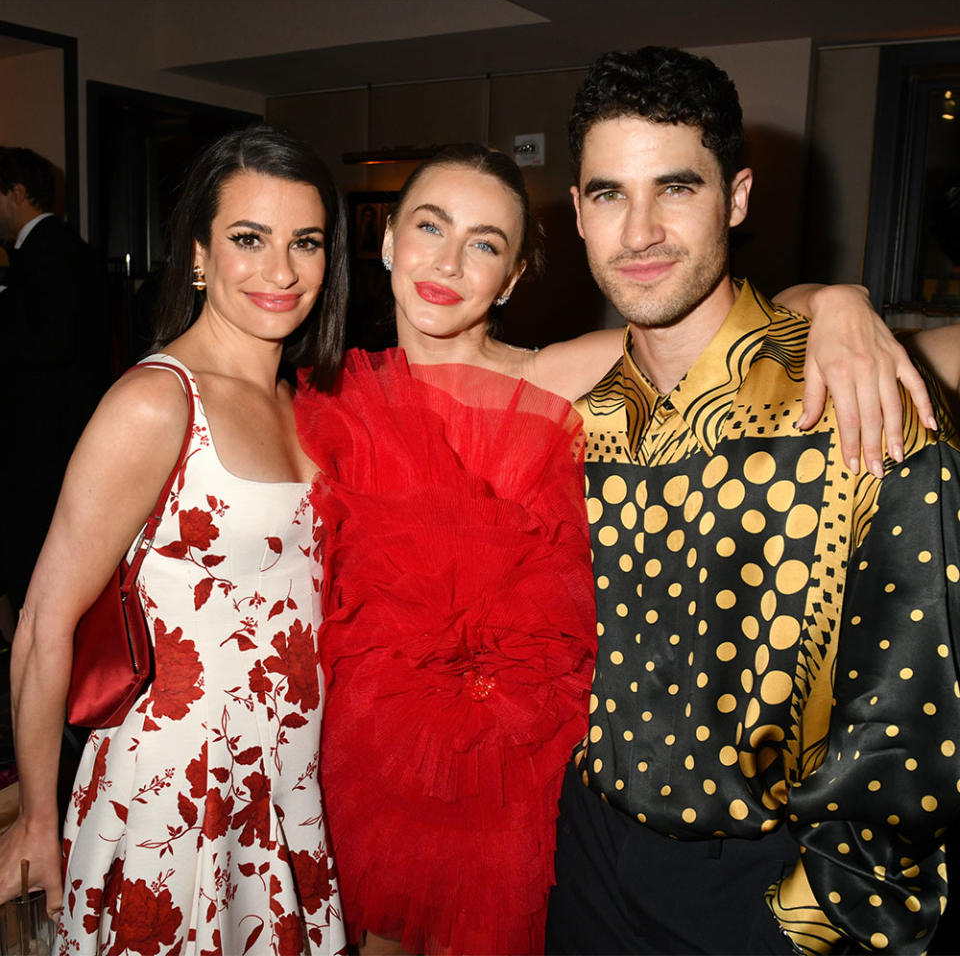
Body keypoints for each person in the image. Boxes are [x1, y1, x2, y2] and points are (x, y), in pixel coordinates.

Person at [294, 141, 942, 954]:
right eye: (431, 227)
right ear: (387, 240)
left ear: (517, 275)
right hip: (367, 766)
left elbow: (729, 316)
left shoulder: (562, 377)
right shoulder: (321, 398)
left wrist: (840, 304)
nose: (449, 263)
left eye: (486, 243)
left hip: (521, 776)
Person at [544, 46, 960, 955]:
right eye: (610, 194)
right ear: (577, 212)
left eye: (677, 189)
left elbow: (916, 742)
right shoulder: (574, 420)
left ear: (735, 197)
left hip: (755, 890)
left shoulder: (857, 406)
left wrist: (798, 925)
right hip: (579, 859)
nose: (641, 230)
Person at [0, 125, 348, 955]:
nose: (282, 270)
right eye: (248, 239)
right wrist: (37, 819)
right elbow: (44, 623)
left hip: (287, 787)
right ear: (198, 255)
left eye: (306, 242)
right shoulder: (158, 402)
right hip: (176, 794)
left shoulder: (308, 402)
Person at [0, 147, 110, 623]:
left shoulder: (47, 255)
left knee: (36, 562)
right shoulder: (66, 248)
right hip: (63, 433)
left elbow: (47, 342)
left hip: (38, 440)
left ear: (18, 193)